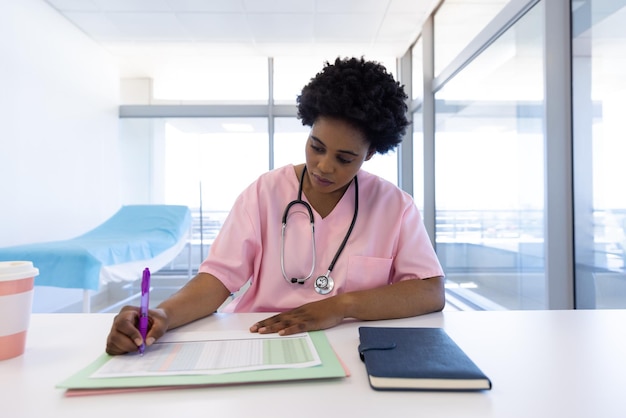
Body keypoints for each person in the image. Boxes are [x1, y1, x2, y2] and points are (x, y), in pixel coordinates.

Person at [105, 57, 445, 355]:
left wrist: (341, 306)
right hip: (262, 338)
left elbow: (429, 290)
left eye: (345, 158)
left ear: (370, 154)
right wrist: (163, 315)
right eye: (316, 146)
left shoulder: (395, 206)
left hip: (350, 344)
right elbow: (217, 280)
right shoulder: (264, 193)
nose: (324, 166)